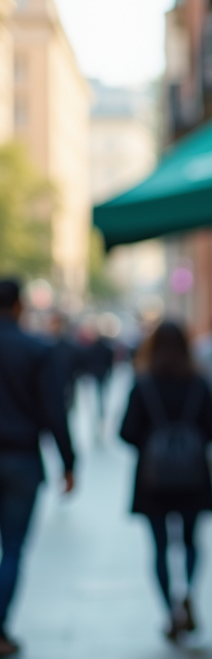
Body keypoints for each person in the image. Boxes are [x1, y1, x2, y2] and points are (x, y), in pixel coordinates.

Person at [120, 321, 212, 643]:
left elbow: (125, 432)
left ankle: (170, 611)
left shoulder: (144, 384)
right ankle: (188, 592)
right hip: (193, 477)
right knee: (191, 541)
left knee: (160, 546)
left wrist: (153, 442)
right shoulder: (199, 383)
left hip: (154, 480)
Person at [0, 279, 75, 656]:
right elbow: (53, 410)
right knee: (12, 548)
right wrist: (69, 462)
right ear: (19, 306)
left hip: (21, 458)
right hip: (22, 459)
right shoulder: (36, 350)